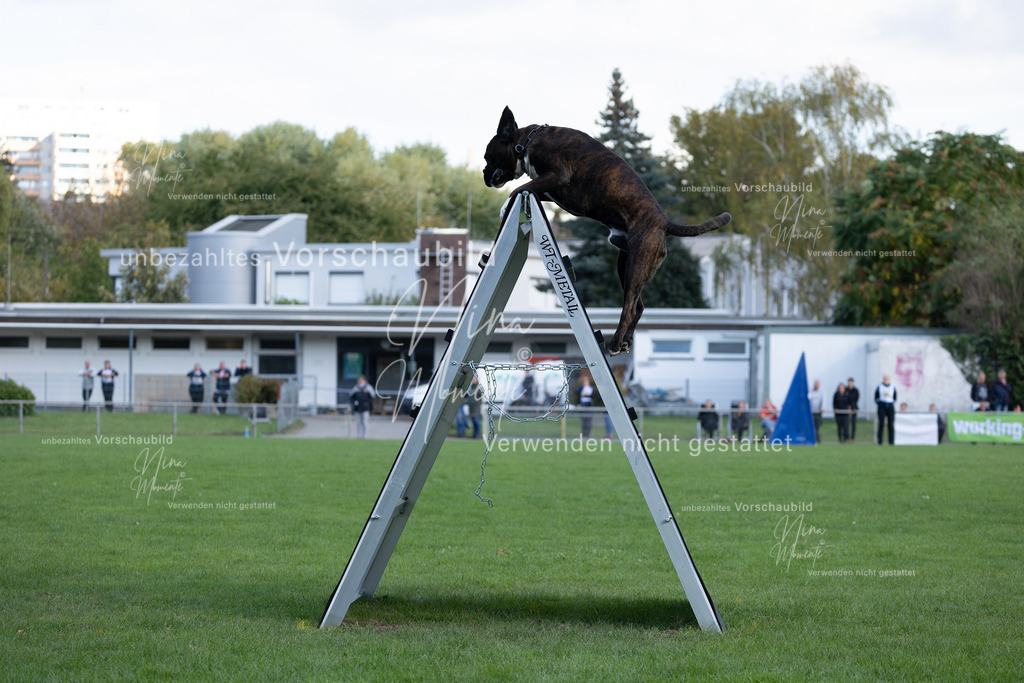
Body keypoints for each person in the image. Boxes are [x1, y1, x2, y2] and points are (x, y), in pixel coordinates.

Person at [874, 374, 897, 445]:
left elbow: (895, 397)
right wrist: (880, 404)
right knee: (881, 424)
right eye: (885, 379)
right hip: (882, 407)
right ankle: (880, 441)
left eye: (887, 379)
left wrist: (891, 404)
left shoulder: (893, 387)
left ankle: (891, 441)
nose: (886, 380)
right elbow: (876, 397)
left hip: (890, 407)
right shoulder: (880, 387)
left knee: (891, 424)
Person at [808, 379, 824, 443]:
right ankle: (815, 438)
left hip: (818, 412)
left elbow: (823, 400)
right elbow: (808, 400)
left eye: (817, 384)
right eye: (815, 384)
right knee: (812, 426)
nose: (816, 385)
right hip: (811, 412)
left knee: (817, 426)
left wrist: (822, 408)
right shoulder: (810, 391)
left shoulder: (821, 392)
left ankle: (817, 437)